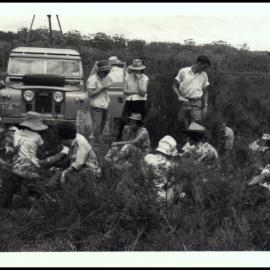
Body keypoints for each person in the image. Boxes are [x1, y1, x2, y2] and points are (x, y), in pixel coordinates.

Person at [0, 112, 48, 207]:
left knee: (11, 184)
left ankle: (5, 204)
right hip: (32, 167)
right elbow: (41, 153)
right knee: (36, 187)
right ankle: (43, 202)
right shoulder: (38, 137)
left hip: (16, 166)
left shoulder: (16, 133)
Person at [44, 122, 101, 188]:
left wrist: (66, 171)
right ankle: (49, 186)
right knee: (59, 171)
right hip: (78, 169)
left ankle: (68, 187)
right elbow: (65, 155)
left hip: (90, 170)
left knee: (82, 173)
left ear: (65, 139)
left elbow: (79, 162)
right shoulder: (72, 139)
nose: (61, 143)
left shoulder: (81, 142)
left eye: (61, 140)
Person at [172, 55, 211, 129]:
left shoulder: (204, 75)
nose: (205, 69)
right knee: (184, 126)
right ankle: (186, 140)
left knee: (196, 127)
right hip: (184, 102)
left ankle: (193, 139)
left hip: (196, 103)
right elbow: (174, 86)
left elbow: (206, 92)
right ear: (199, 63)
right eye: (204, 67)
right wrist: (178, 96)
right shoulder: (184, 71)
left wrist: (205, 106)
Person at [142, 135, 182, 206]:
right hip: (160, 198)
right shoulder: (169, 164)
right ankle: (172, 207)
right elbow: (171, 181)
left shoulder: (147, 157)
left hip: (144, 193)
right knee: (177, 183)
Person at [86, 60, 112, 144]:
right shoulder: (92, 79)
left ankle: (98, 141)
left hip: (104, 105)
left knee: (103, 123)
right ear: (100, 72)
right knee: (96, 124)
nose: (106, 74)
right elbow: (90, 94)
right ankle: (91, 140)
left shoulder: (104, 78)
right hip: (96, 105)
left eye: (107, 72)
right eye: (105, 72)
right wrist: (102, 89)